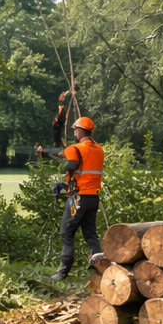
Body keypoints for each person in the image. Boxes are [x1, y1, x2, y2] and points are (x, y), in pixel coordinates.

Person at [37, 115, 106, 280]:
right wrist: (47, 154)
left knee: (66, 234)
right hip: (93, 198)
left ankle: (62, 273)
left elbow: (70, 163)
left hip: (78, 198)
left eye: (75, 129)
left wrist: (62, 170)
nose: (74, 132)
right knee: (91, 235)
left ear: (81, 130)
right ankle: (99, 270)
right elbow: (66, 156)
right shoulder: (99, 149)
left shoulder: (75, 149)